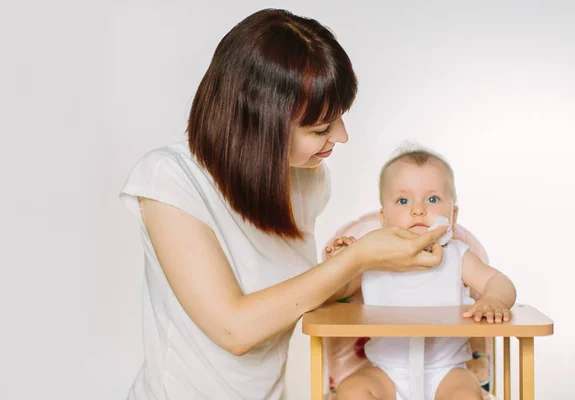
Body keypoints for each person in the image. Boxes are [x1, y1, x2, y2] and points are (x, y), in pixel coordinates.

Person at [119, 9, 449, 400]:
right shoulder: (171, 179)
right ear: (259, 125)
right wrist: (357, 258)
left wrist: (372, 270)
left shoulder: (305, 179)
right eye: (321, 129)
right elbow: (234, 329)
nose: (341, 136)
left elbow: (296, 297)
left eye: (339, 118)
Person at [327, 146, 517, 400]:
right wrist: (345, 262)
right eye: (403, 200)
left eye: (433, 199)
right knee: (353, 391)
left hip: (447, 372)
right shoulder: (372, 258)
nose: (418, 209)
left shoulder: (457, 256)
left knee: (465, 395)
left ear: (453, 215)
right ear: (383, 217)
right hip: (385, 371)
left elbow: (499, 281)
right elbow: (338, 294)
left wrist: (494, 298)